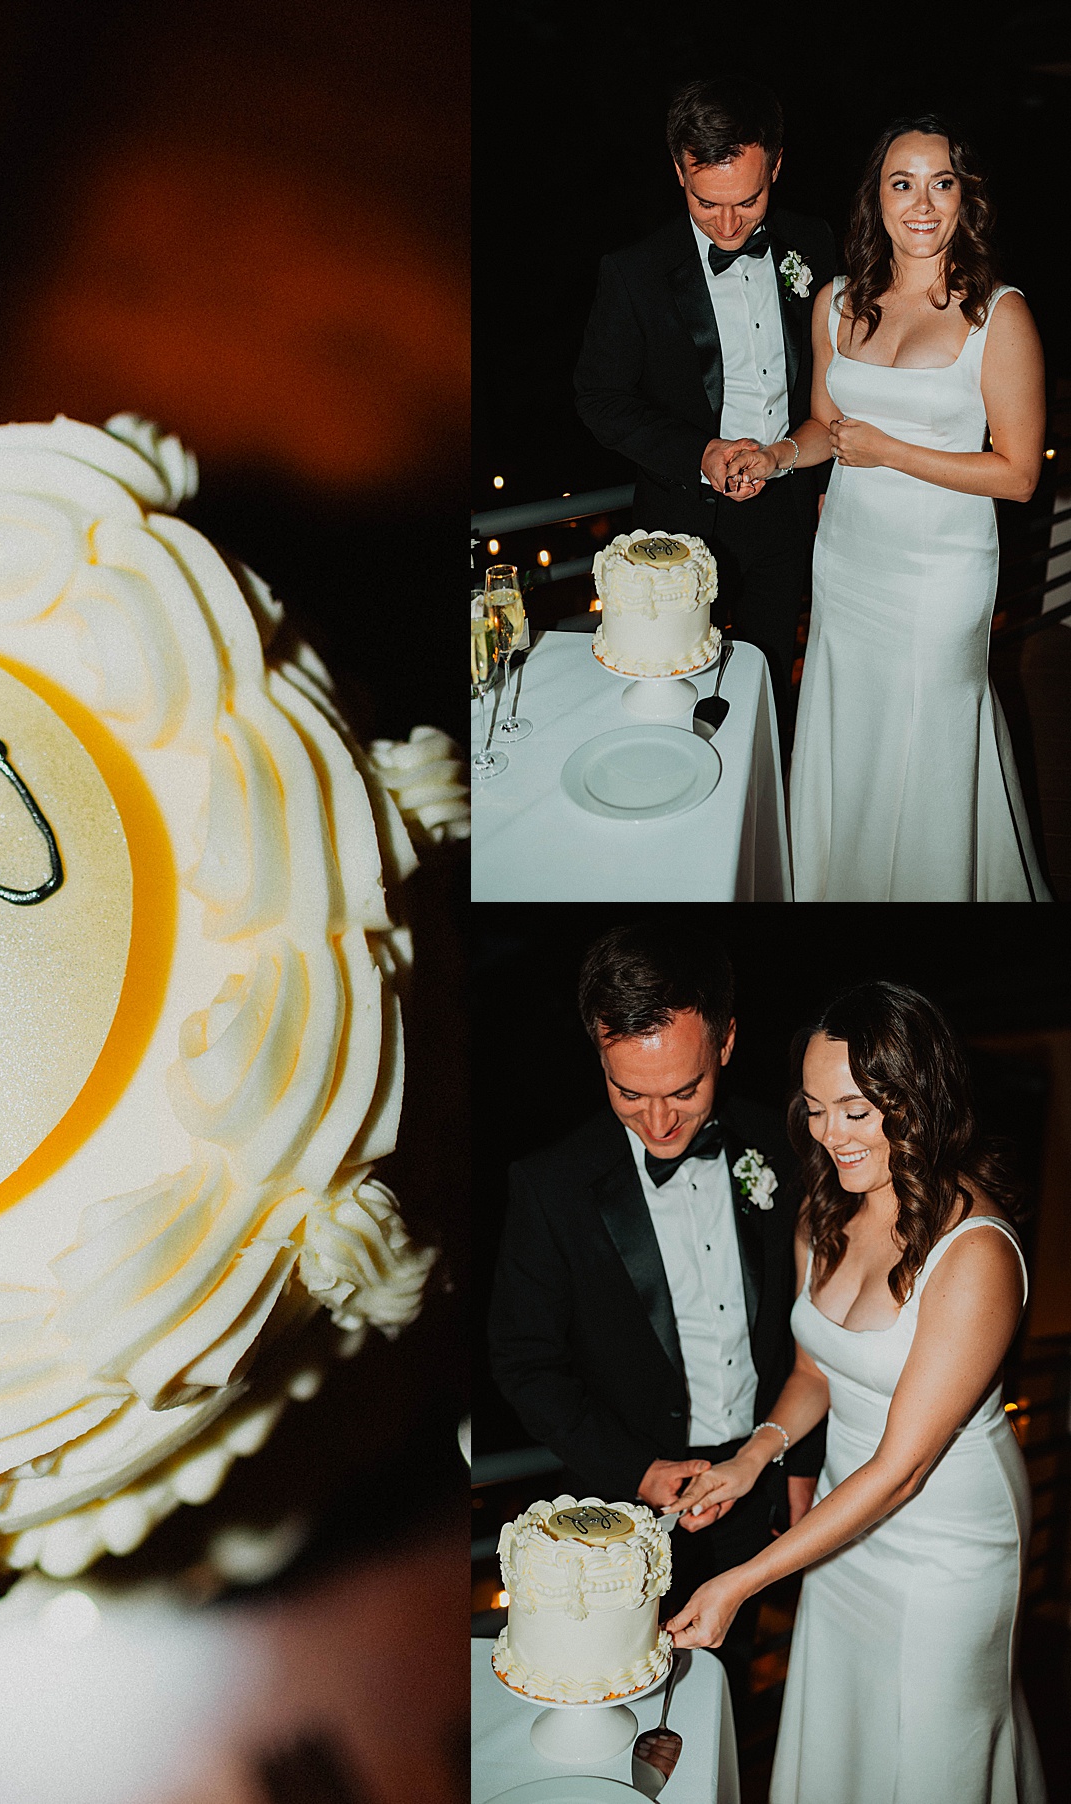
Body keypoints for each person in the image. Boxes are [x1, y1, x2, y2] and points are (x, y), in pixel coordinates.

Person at [667, 981, 1047, 1804]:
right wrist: (752, 1457)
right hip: (845, 1513)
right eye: (813, 1108)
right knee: (846, 1740)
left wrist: (740, 1580)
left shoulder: (975, 1254)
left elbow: (904, 1470)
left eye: (855, 1110)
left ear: (917, 1101)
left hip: (946, 1543)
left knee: (930, 1749)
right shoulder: (825, 1212)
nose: (828, 1135)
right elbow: (814, 1373)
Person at [487, 924, 822, 1706]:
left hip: (759, 1485)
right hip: (619, 1518)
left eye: (685, 1090)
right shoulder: (550, 1187)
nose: (661, 1122)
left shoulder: (791, 1148)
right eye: (629, 1092)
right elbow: (523, 1361)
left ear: (727, 1042)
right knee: (617, 1708)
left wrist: (799, 1469)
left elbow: (819, 1327)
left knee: (722, 1703)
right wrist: (634, 1467)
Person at [729, 117, 1048, 899]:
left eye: (942, 183)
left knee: (930, 738)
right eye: (902, 183)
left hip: (942, 572)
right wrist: (775, 455)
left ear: (964, 196)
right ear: (877, 197)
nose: (923, 203)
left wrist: (892, 453)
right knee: (856, 732)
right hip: (849, 560)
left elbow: (1017, 475)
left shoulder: (997, 315)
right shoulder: (838, 302)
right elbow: (826, 428)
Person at [574, 78, 836, 755]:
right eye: (705, 201)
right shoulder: (633, 272)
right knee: (674, 703)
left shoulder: (815, 243)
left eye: (748, 201)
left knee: (769, 682)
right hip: (677, 529)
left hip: (787, 508)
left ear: (776, 165)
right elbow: (599, 398)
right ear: (678, 170)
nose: (727, 224)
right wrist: (700, 452)